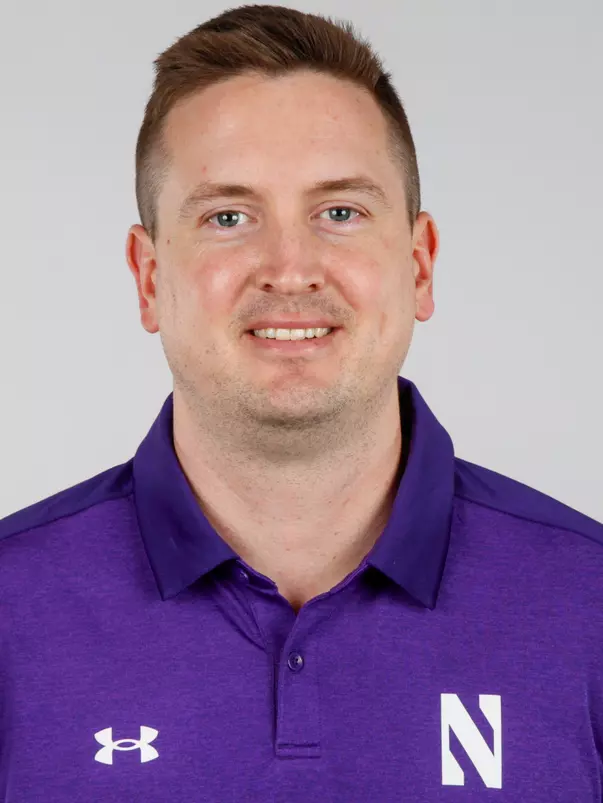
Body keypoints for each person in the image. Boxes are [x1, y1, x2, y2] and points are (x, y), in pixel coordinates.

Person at [1, 4, 602, 801]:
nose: (289, 269)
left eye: (340, 212)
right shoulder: (14, 612)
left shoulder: (585, 604)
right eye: (228, 216)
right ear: (149, 279)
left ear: (419, 266)